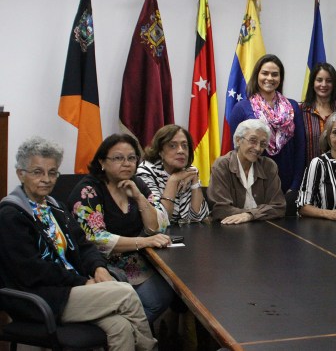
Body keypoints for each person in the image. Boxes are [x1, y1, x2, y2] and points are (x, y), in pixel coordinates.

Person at [0, 137, 156, 351]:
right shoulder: (10, 215)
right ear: (21, 174)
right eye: (38, 172)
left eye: (52, 172)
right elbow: (32, 271)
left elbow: (84, 245)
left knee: (120, 327)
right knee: (125, 293)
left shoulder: (56, 207)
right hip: (40, 299)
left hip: (69, 290)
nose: (46, 179)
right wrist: (81, 281)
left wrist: (98, 268)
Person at [68, 133, 174, 324]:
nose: (126, 163)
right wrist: (143, 242)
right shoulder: (89, 190)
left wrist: (139, 198)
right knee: (133, 306)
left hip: (135, 263)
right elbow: (96, 238)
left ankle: (127, 336)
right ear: (102, 161)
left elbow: (159, 226)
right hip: (99, 265)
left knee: (163, 296)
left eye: (131, 158)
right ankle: (120, 336)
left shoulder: (138, 184)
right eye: (118, 158)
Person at [229, 54, 305, 200]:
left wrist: (295, 186)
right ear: (257, 75)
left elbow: (300, 148)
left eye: (275, 74)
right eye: (265, 73)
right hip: (253, 184)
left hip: (287, 184)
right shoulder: (242, 108)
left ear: (280, 78)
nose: (269, 78)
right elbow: (235, 151)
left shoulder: (293, 107)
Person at [208, 119, 285, 224]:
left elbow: (279, 207)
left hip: (263, 229)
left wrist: (250, 215)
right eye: (253, 141)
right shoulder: (222, 165)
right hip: (229, 230)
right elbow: (220, 209)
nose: (258, 148)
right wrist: (258, 213)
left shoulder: (268, 166)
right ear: (238, 140)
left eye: (263, 144)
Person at [137, 124, 209, 224]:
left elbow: (198, 217)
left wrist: (195, 181)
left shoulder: (189, 172)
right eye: (172, 146)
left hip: (184, 235)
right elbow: (161, 221)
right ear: (160, 151)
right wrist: (173, 180)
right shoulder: (146, 172)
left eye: (185, 146)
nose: (181, 151)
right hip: (153, 237)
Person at [300, 63, 336, 167]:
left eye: (329, 81)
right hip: (308, 174)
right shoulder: (300, 111)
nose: (323, 85)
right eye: (319, 80)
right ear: (312, 83)